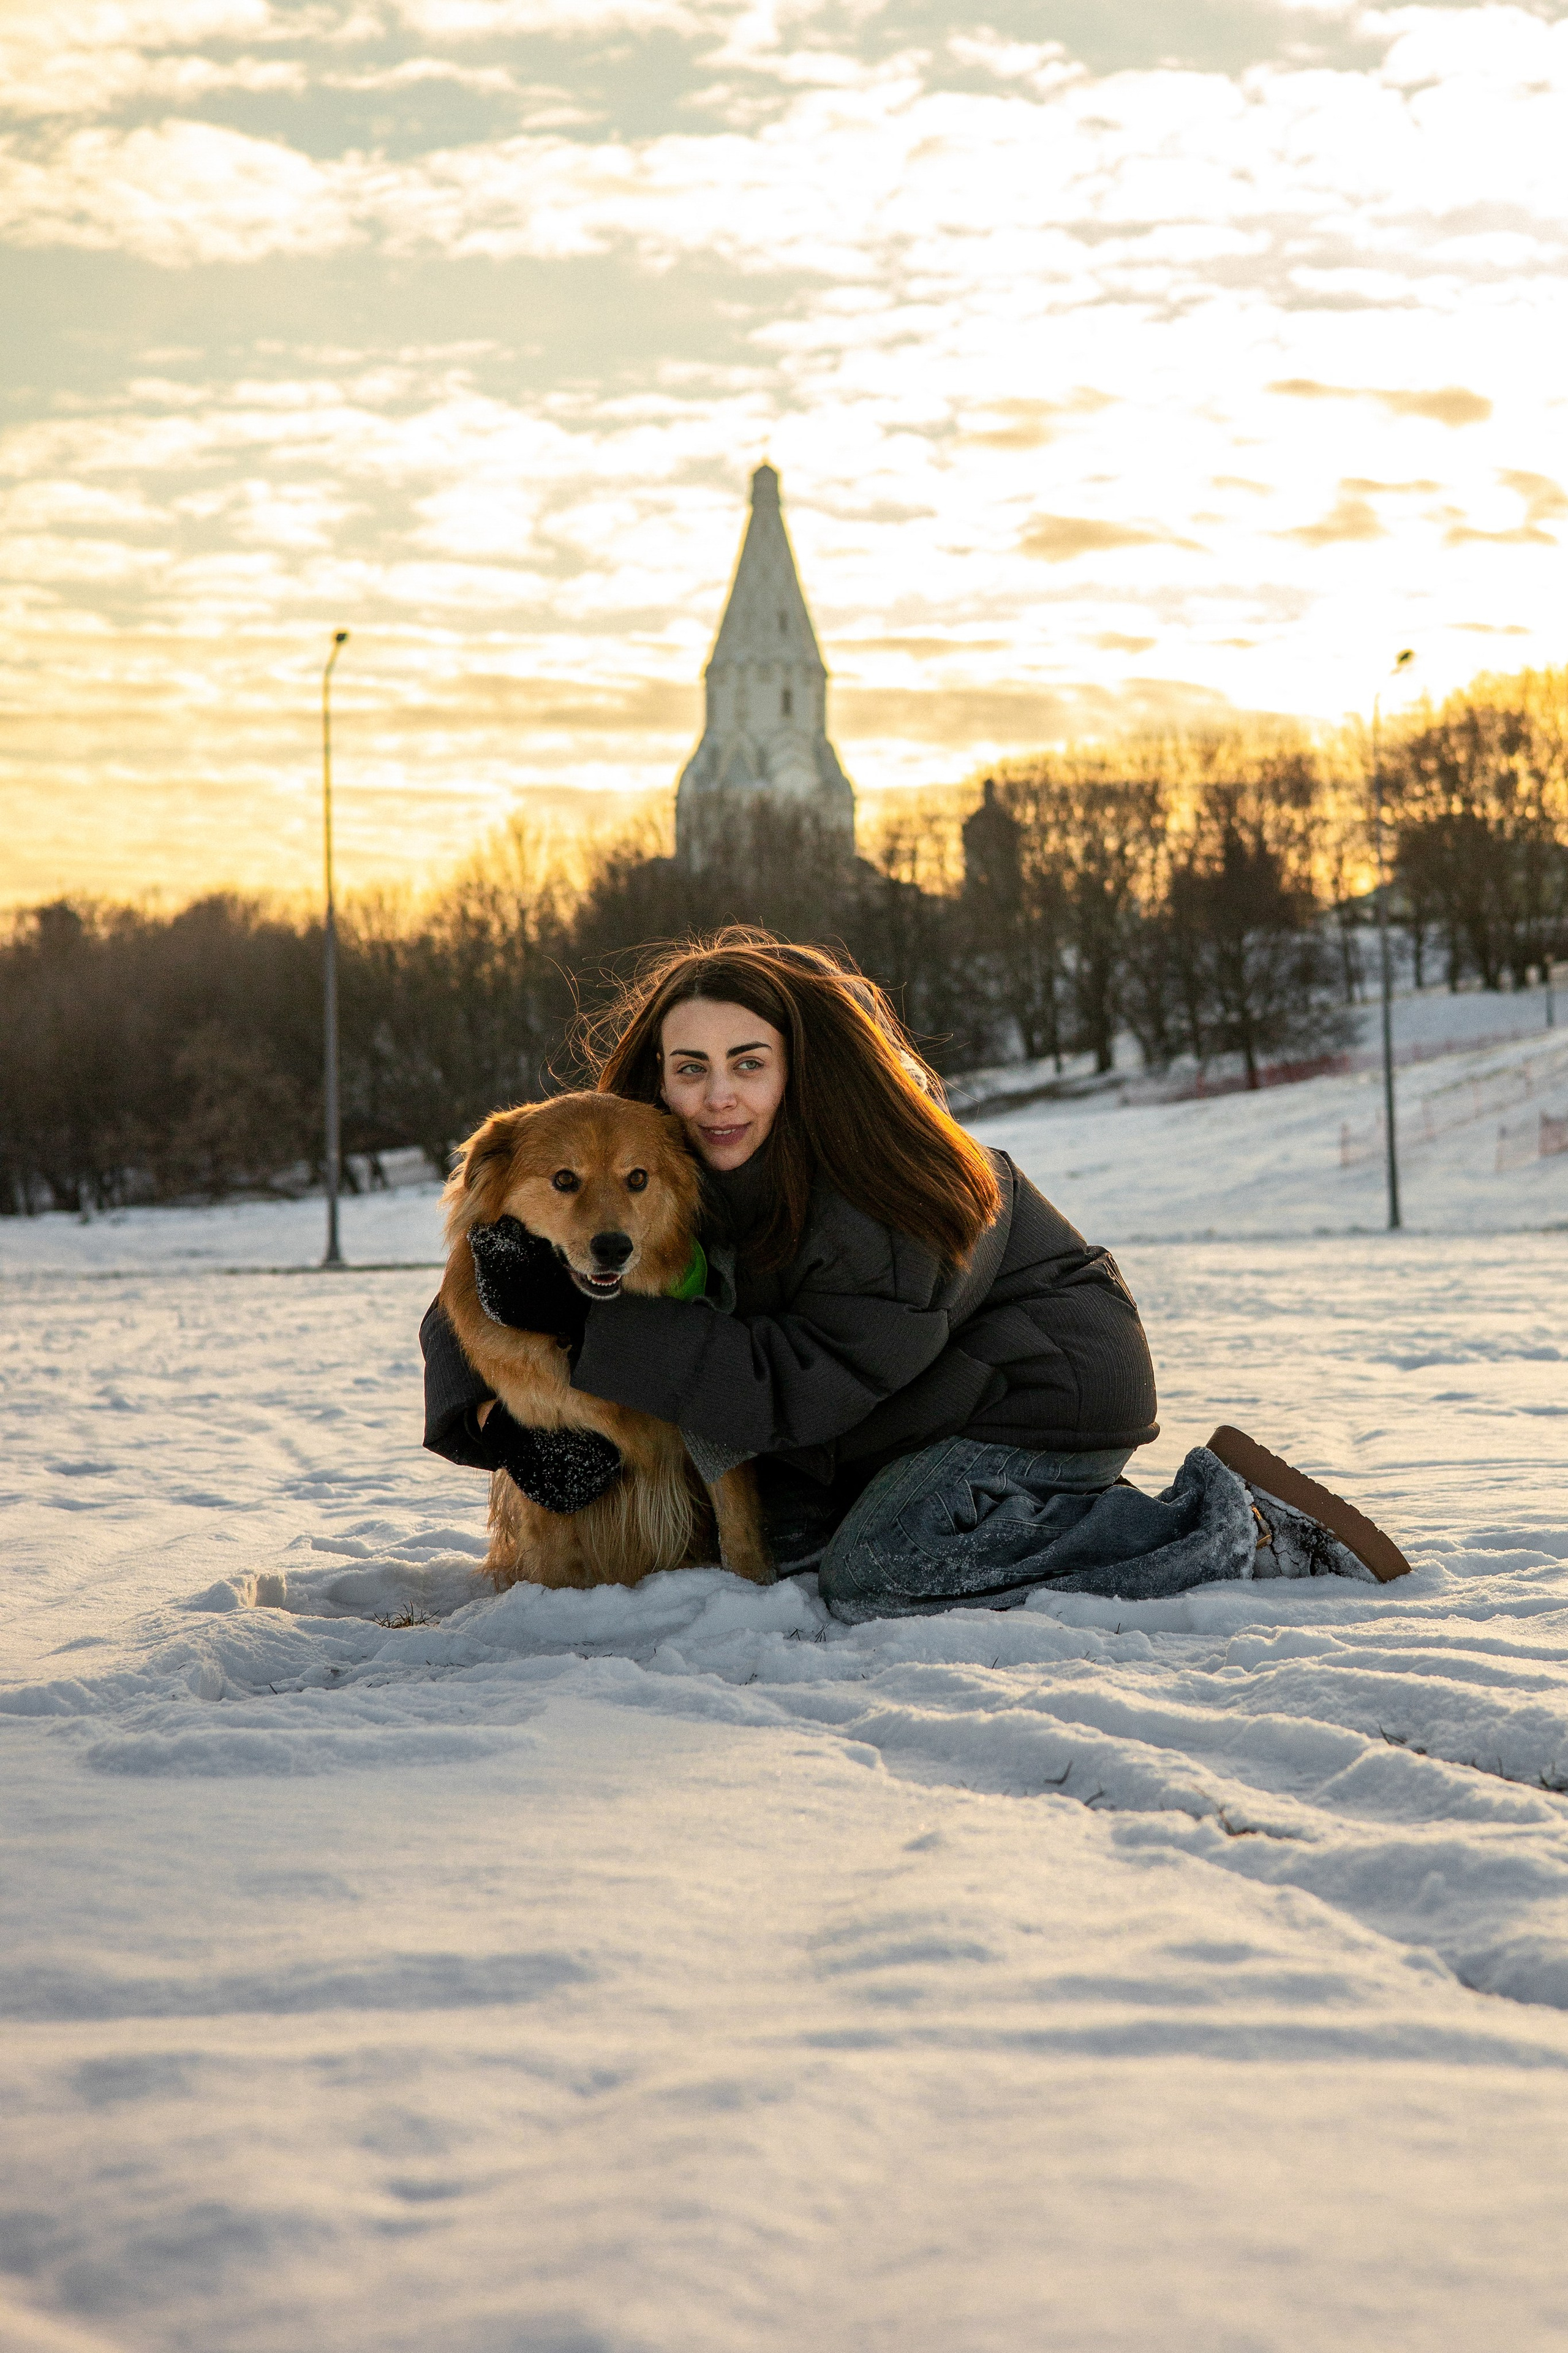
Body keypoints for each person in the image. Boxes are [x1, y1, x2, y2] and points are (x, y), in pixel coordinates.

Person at [421, 931, 1399, 1618]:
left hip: (1034, 1387)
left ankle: (1233, 1525)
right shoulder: (660, 1159)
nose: (717, 1094)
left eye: (748, 1063)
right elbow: (487, 1278)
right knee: (785, 1540)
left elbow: (793, 1383)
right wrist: (494, 1419)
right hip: (897, 1409)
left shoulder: (879, 1190)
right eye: (690, 1066)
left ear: (802, 1067)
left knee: (881, 1569)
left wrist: (591, 1339)